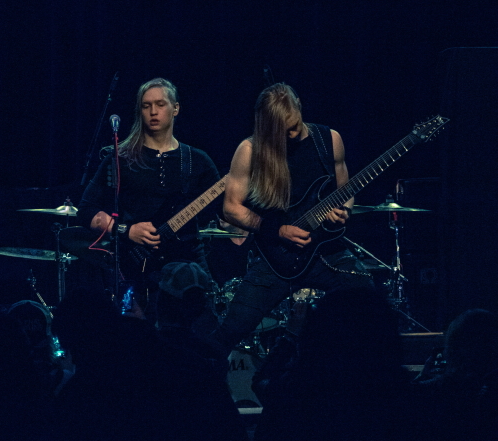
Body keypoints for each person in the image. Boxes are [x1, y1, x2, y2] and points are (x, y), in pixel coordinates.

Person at [213, 83, 372, 351]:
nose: (292, 134)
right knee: (231, 330)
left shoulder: (330, 140)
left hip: (326, 252)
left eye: (294, 126)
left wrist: (344, 211)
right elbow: (231, 208)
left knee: (367, 300)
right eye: (283, 131)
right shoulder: (250, 150)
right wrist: (277, 230)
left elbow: (345, 191)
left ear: (299, 104)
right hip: (275, 257)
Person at [78, 78, 222, 315]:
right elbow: (86, 210)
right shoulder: (120, 158)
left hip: (188, 265)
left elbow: (224, 209)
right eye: (146, 106)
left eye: (160, 104)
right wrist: (126, 230)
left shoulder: (197, 160)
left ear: (175, 108)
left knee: (204, 325)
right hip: (134, 266)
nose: (153, 111)